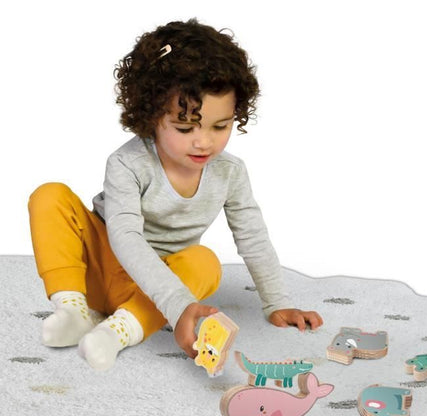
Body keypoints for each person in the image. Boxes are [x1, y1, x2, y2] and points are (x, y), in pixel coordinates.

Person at [28, 18, 323, 371]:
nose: (204, 142)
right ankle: (73, 310)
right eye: (185, 128)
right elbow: (124, 236)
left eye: (221, 126)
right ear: (151, 116)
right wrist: (178, 302)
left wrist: (277, 303)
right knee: (50, 195)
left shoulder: (230, 172)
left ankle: (119, 331)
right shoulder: (127, 162)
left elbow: (253, 237)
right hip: (97, 268)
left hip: (151, 292)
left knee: (204, 263)